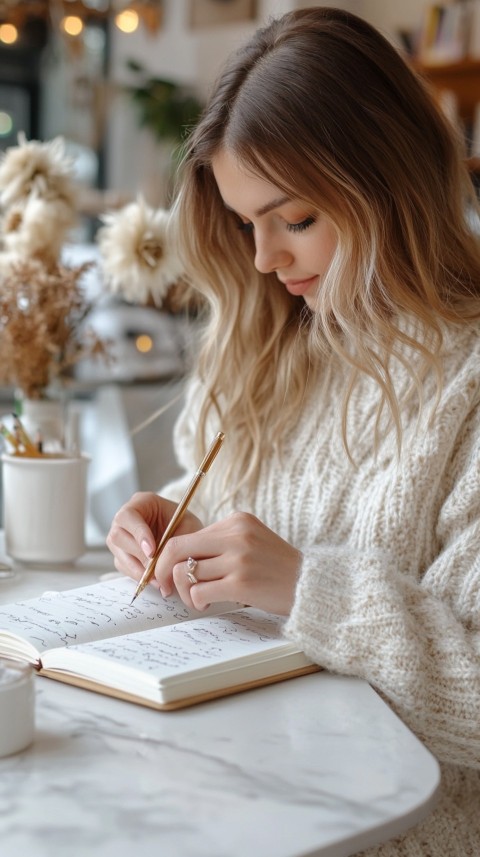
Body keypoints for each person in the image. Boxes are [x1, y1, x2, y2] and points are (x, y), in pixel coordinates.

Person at [107, 7, 480, 854]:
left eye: (296, 219)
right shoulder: (263, 344)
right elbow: (245, 523)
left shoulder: (468, 382)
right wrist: (180, 530)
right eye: (246, 224)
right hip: (222, 794)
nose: (265, 259)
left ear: (389, 180)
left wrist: (307, 585)